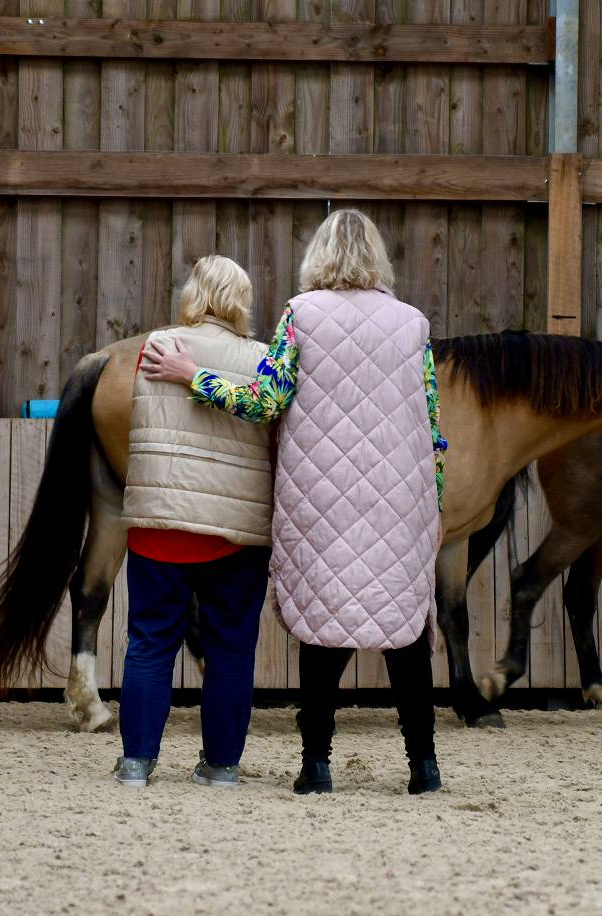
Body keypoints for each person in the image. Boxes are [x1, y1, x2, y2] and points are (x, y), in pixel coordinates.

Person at [141, 209, 448, 795]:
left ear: (320, 255)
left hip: (322, 496)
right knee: (406, 633)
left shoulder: (300, 315)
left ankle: (317, 766)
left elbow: (267, 399)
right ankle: (423, 768)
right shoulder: (414, 323)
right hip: (401, 501)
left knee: (323, 627)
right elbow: (432, 422)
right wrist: (435, 504)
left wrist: (193, 375)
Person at [113, 255, 273, 789]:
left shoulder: (156, 347)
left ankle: (137, 761)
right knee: (231, 648)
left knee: (149, 643)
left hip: (160, 527)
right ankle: (221, 766)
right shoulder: (262, 360)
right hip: (234, 533)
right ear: (239, 301)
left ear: (193, 294)